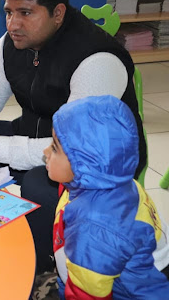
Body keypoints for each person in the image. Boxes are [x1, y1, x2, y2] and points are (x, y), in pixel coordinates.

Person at [0, 0, 146, 275]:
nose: (13, 24)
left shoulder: (98, 59)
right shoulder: (13, 41)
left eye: (26, 13)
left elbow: (73, 150)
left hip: (91, 164)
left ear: (57, 13)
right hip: (33, 134)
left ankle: (42, 270)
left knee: (39, 183)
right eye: (9, 12)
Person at [45, 95, 169, 298]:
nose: (45, 152)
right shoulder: (114, 181)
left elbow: (86, 294)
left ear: (84, 164)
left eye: (55, 148)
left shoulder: (95, 230)